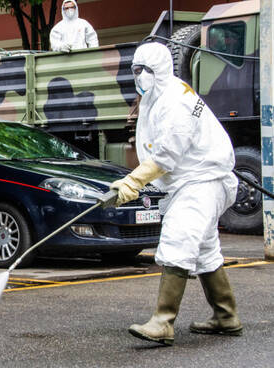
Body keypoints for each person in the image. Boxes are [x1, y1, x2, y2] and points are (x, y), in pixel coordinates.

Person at [108, 42, 243, 346]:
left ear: (160, 70)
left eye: (144, 70)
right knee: (205, 249)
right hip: (192, 180)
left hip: (204, 179)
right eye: (135, 70)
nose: (138, 76)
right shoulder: (160, 94)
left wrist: (133, 181)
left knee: (178, 238)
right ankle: (226, 316)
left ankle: (163, 322)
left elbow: (167, 155)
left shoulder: (175, 101)